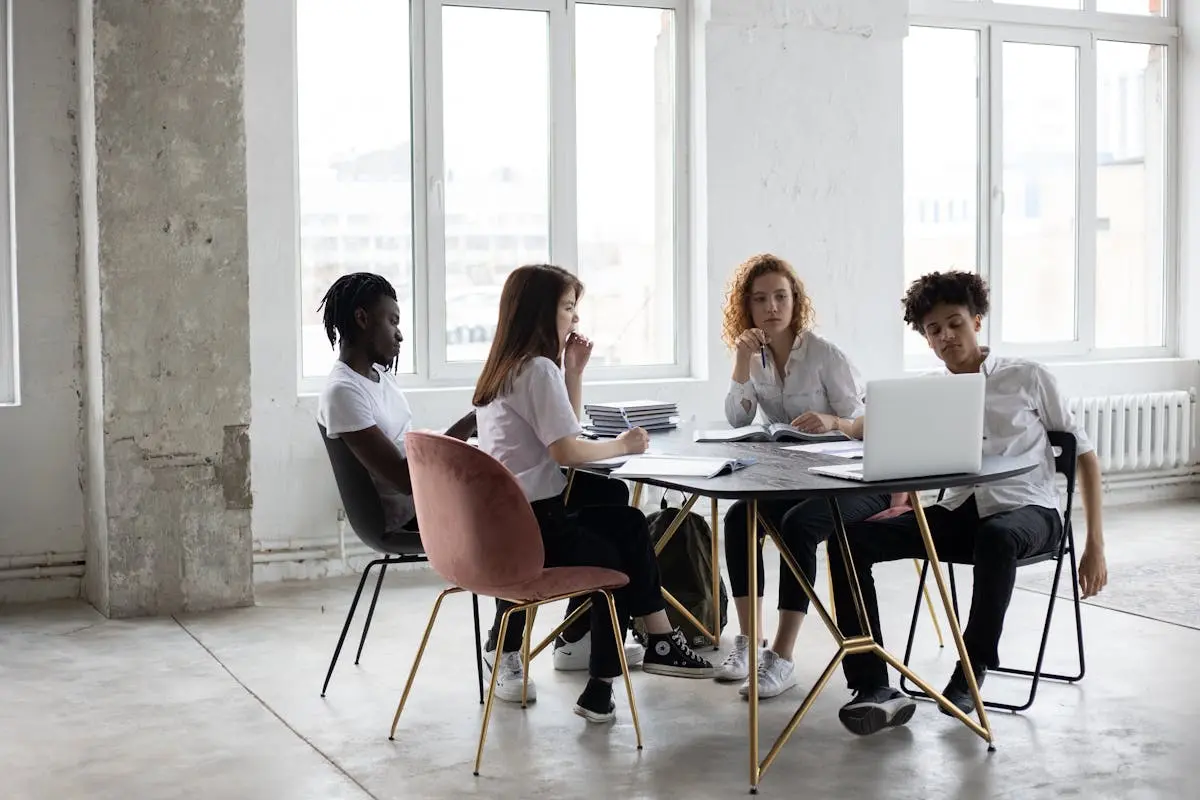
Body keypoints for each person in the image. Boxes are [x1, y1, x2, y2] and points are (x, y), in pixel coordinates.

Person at [830, 270, 1109, 737]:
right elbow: (880, 432)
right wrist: (843, 427)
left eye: (954, 323)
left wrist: (1096, 544)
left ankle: (972, 668)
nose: (945, 337)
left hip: (1031, 512)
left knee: (998, 537)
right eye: (933, 330)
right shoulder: (929, 391)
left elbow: (1085, 455)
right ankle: (872, 684)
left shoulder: (1027, 376)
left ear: (977, 321)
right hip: (962, 511)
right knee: (848, 540)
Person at [473, 263, 714, 724]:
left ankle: (629, 662)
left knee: (618, 513)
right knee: (617, 551)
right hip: (534, 529)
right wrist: (624, 444)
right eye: (568, 309)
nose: (574, 320)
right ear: (542, 313)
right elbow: (565, 449)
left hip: (507, 525)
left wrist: (574, 373)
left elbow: (561, 428)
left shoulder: (505, 368)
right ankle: (623, 666)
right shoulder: (536, 369)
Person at [715, 253, 889, 699]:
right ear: (747, 308)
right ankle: (748, 643)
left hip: (849, 479)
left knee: (798, 526)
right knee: (739, 518)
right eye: (760, 300)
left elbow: (867, 422)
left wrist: (835, 423)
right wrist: (739, 358)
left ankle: (782, 655)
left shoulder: (825, 355)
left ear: (796, 302)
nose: (771, 307)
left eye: (780, 297)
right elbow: (738, 419)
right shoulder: (753, 358)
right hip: (793, 479)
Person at [314, 272, 476, 537]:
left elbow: (402, 445)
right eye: (393, 321)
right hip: (408, 515)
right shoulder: (343, 392)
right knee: (522, 503)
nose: (399, 335)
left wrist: (468, 429)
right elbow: (403, 479)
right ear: (363, 318)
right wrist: (471, 420)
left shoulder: (379, 377)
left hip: (423, 501)